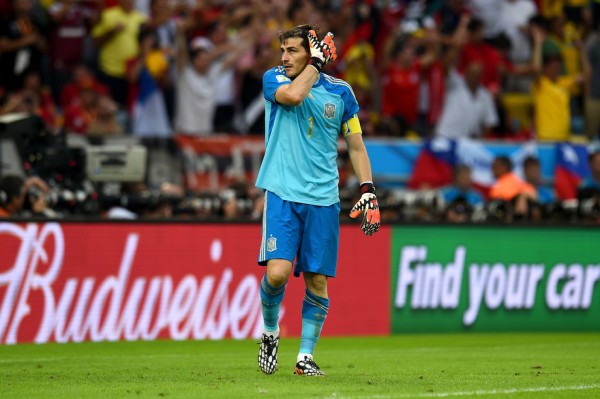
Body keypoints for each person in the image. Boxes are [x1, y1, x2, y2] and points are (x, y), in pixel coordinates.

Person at [255, 25, 380, 377]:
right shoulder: (274, 79)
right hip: (282, 192)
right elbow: (294, 97)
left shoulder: (342, 93)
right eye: (283, 49)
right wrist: (316, 63)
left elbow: (355, 144)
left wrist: (368, 188)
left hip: (323, 200)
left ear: (309, 53)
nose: (284, 57)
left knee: (318, 282)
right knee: (277, 275)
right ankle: (269, 331)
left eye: (292, 50)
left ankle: (305, 357)